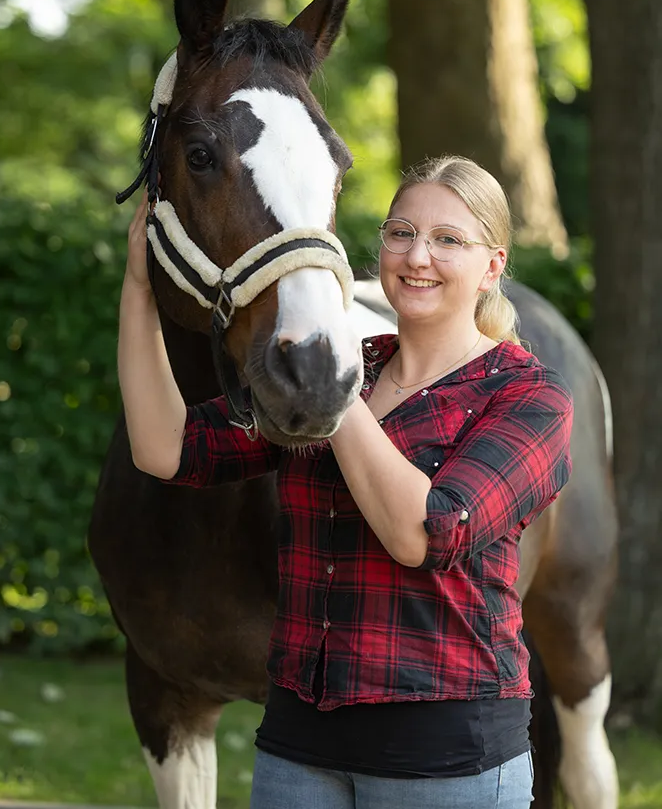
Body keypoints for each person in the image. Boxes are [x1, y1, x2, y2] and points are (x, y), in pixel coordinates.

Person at [119, 154, 573, 809]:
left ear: (492, 265)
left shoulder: (527, 395)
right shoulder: (348, 369)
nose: (418, 256)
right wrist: (139, 293)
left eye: (448, 240)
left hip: (446, 764)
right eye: (400, 233)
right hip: (299, 753)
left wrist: (336, 387)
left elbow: (425, 532)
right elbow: (168, 448)